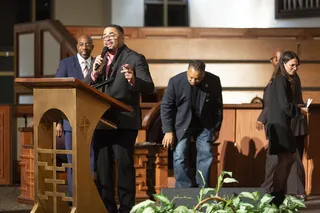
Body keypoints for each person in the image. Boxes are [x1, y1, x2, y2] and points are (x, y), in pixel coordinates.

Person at [84, 24, 154, 213]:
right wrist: (95, 73)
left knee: (124, 168)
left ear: (122, 38)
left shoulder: (135, 58)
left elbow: (149, 87)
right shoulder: (97, 60)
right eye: (104, 36)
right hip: (101, 120)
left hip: (124, 121)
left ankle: (126, 209)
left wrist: (133, 79)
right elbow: (87, 87)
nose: (107, 39)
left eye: (111, 35)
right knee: (103, 169)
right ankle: (107, 209)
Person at [160, 60, 223, 188]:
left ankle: (203, 188)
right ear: (187, 71)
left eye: (198, 79)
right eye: (191, 78)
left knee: (206, 154)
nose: (194, 81)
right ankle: (184, 188)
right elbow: (166, 106)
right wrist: (168, 131)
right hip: (182, 123)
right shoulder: (175, 82)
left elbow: (218, 107)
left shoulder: (214, 81)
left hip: (205, 124)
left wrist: (216, 127)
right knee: (179, 155)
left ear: (204, 74)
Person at [257, 49, 307, 199]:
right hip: (279, 126)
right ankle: (272, 194)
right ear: (283, 63)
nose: (295, 68)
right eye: (292, 65)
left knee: (285, 160)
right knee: (280, 161)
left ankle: (276, 195)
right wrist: (300, 112)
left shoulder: (284, 79)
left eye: (297, 65)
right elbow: (284, 106)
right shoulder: (281, 79)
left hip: (281, 125)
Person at [55, 35, 95, 198]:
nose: (84, 47)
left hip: (92, 120)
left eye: (87, 45)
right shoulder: (66, 64)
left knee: (90, 158)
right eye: (81, 44)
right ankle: (73, 195)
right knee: (73, 158)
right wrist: (58, 121)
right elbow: (58, 92)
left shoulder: (99, 64)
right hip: (69, 120)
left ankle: (89, 193)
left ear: (92, 47)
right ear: (76, 46)